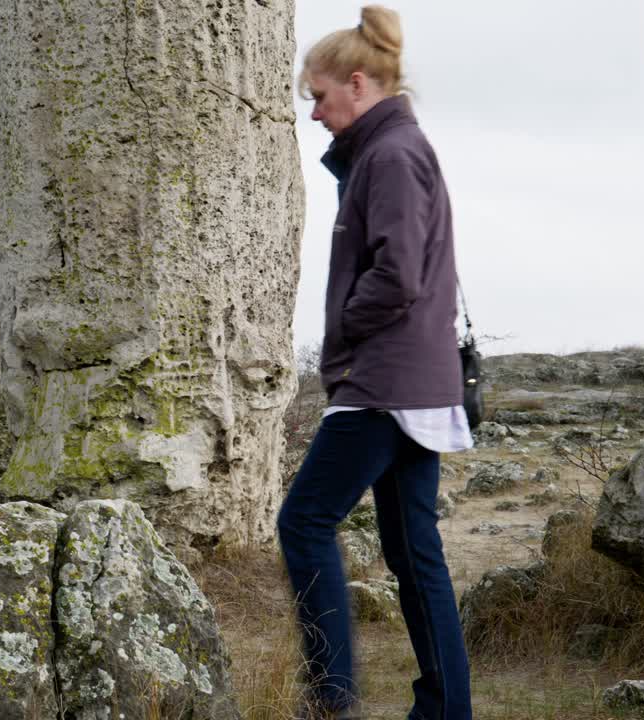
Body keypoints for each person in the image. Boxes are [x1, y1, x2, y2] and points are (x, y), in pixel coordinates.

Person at [277, 6, 474, 720]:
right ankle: (447, 711)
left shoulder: (390, 156)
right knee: (416, 555)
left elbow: (398, 278)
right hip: (416, 384)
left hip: (385, 384)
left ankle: (331, 699)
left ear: (357, 85)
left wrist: (342, 337)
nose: (316, 114)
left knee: (303, 522)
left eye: (319, 98)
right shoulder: (395, 149)